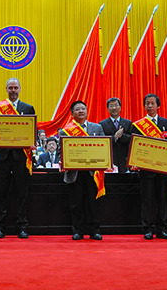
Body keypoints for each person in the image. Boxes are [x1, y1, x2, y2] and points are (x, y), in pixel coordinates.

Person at [0, 78, 35, 239]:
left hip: (21, 156)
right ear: (6, 89)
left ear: (20, 89)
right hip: (2, 156)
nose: (13, 90)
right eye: (10, 88)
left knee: (22, 193)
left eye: (15, 88)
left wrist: (32, 143)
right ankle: (0, 227)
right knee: (0, 193)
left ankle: (22, 227)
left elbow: (32, 130)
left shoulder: (28, 108)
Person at [129, 94, 167, 240]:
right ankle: (148, 229)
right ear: (144, 106)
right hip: (146, 170)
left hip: (162, 169)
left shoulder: (166, 123)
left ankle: (162, 229)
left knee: (162, 200)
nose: (150, 106)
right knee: (147, 200)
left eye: (152, 103)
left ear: (158, 105)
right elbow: (134, 146)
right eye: (147, 103)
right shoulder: (138, 125)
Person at [59, 101, 105, 240]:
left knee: (93, 202)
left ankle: (94, 230)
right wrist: (62, 161)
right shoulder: (65, 131)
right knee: (76, 203)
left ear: (87, 111)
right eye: (77, 109)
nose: (81, 111)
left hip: (93, 172)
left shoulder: (97, 128)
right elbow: (61, 152)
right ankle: (78, 231)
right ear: (72, 113)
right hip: (74, 172)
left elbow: (104, 147)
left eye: (83, 108)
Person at [98, 97, 132, 172]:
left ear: (120, 107)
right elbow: (102, 142)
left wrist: (122, 136)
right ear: (108, 109)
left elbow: (131, 140)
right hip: (110, 160)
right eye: (111, 106)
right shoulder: (102, 124)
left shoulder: (128, 123)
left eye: (116, 105)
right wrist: (114, 137)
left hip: (125, 160)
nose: (114, 108)